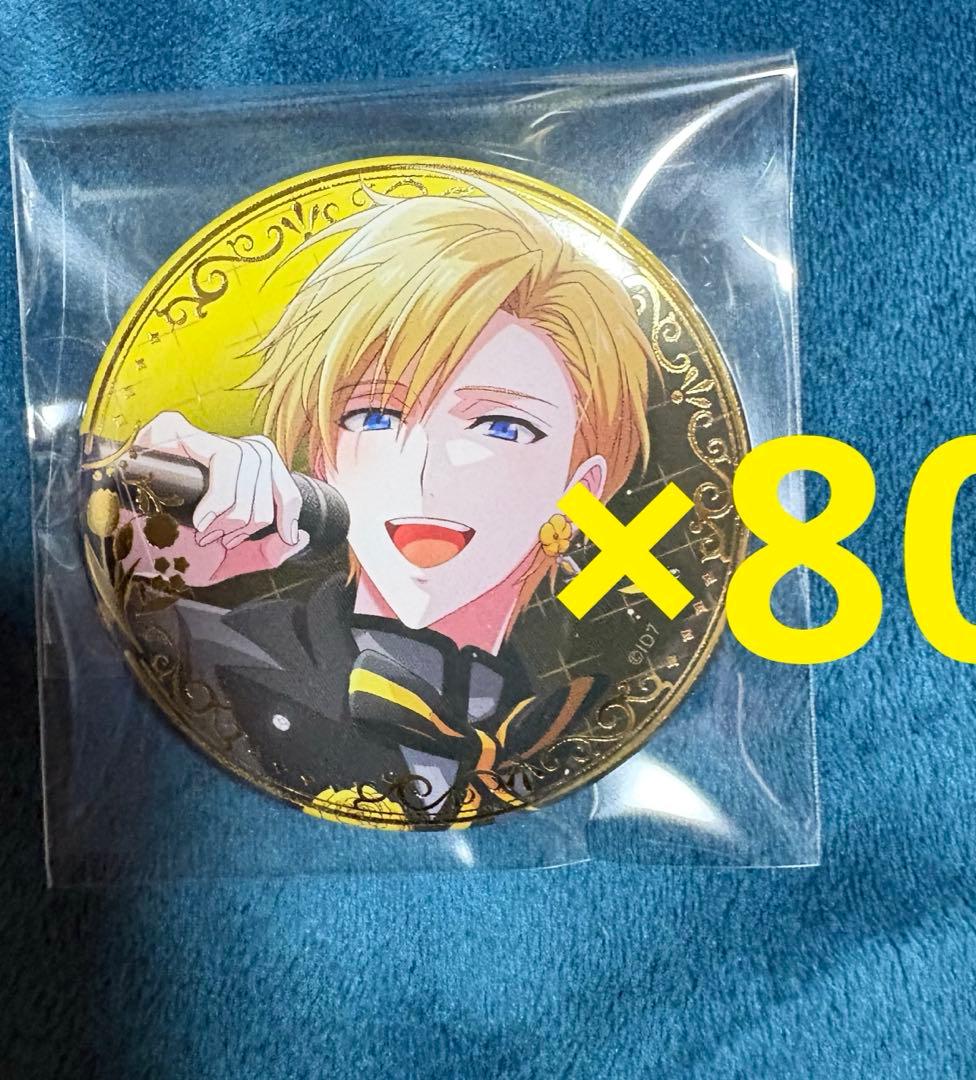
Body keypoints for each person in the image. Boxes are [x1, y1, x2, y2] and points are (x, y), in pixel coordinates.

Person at [125, 173, 653, 825]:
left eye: (502, 427)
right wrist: (139, 557)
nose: (421, 471)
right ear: (324, 458)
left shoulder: (563, 720)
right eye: (375, 416)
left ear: (577, 494)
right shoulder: (214, 654)